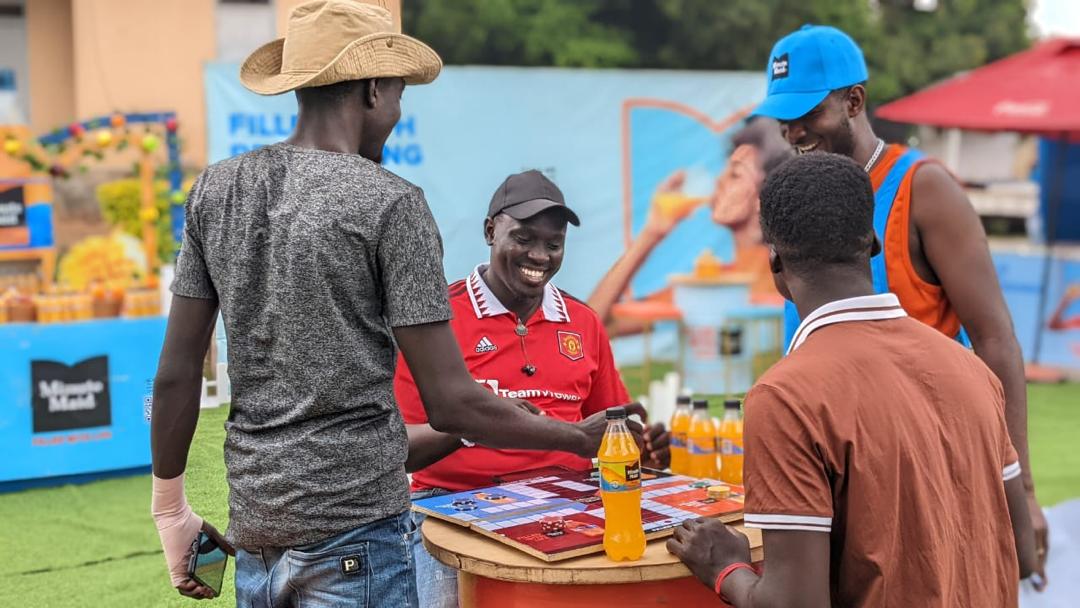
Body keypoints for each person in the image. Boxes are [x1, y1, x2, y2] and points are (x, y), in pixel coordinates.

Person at [149, 3, 640, 606]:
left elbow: (176, 374)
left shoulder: (218, 189)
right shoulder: (391, 202)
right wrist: (577, 440)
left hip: (258, 535)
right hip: (357, 540)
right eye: (399, 96)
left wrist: (170, 512)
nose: (398, 113)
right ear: (375, 89)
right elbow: (453, 402)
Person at [668, 152, 1038, 607]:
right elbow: (1021, 550)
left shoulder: (785, 399)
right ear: (874, 245)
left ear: (775, 263)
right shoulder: (972, 370)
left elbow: (796, 603)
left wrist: (725, 567)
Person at [752, 24, 1047, 582]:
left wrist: (1022, 489)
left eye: (807, 113)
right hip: (841, 455)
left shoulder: (924, 187)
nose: (792, 132)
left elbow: (994, 338)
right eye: (782, 117)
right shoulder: (808, 198)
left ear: (854, 101)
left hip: (924, 460)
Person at [395, 170, 670, 608]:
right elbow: (400, 448)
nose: (539, 255)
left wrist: (645, 448)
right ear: (490, 230)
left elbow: (611, 436)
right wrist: (478, 423)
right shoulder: (439, 319)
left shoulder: (583, 323)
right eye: (523, 238)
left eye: (553, 244)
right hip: (453, 505)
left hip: (570, 503)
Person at [588, 117, 792, 331]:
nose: (718, 181)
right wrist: (651, 233)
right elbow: (591, 328)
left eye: (734, 174)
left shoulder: (793, 287)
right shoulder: (705, 288)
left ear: (766, 195)